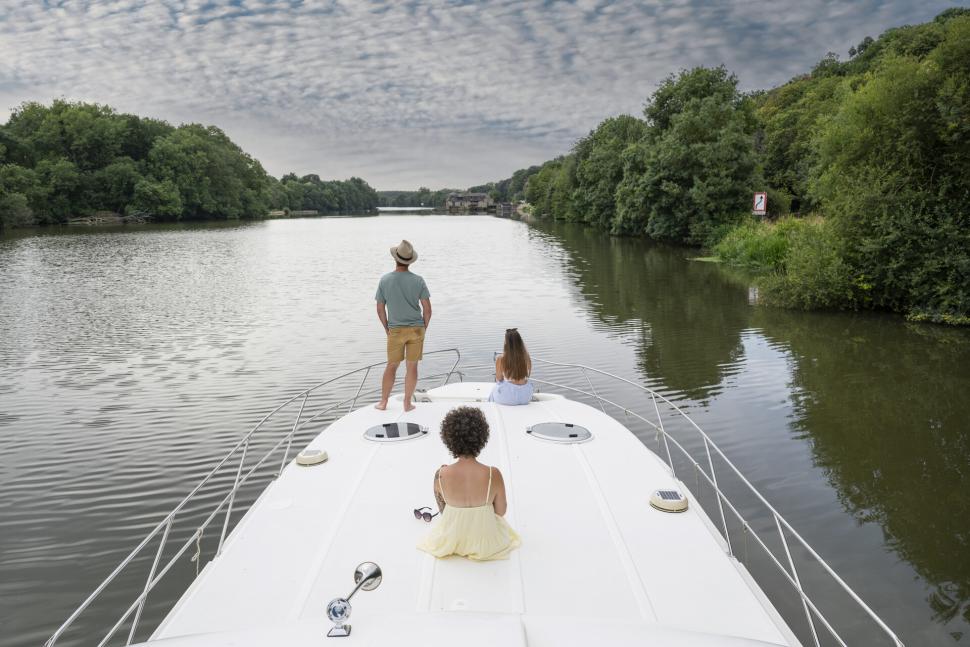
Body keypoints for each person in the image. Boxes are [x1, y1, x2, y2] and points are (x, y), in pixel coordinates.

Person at [417, 407, 520, 561]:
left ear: (449, 440)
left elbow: (444, 511)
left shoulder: (440, 475)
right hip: (486, 542)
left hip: (451, 540)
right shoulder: (493, 474)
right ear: (482, 438)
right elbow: (500, 511)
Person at [375, 240, 432, 412]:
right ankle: (407, 403)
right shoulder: (418, 280)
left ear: (395, 259)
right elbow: (427, 310)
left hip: (395, 330)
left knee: (392, 365)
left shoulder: (385, 280)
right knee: (412, 366)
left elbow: (380, 309)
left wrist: (387, 328)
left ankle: (383, 402)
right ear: (409, 260)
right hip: (416, 329)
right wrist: (423, 328)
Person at [488, 328, 534, 406]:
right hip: (526, 395)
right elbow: (527, 375)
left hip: (508, 396)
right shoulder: (527, 357)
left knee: (493, 392)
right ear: (520, 342)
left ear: (506, 343)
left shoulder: (501, 359)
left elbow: (499, 379)